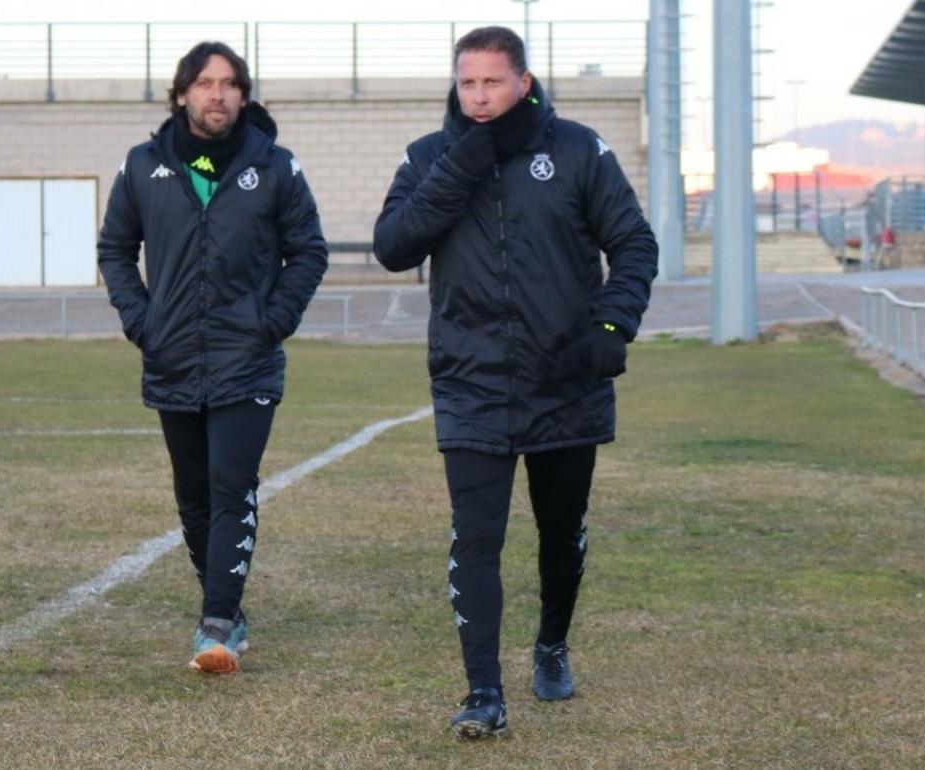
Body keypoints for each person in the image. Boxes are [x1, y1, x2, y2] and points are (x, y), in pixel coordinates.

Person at [373, 26, 658, 738]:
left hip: (566, 379)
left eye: (492, 83)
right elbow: (393, 245)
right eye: (467, 83)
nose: (479, 96)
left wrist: (612, 328)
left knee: (561, 532)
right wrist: (466, 161)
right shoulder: (430, 157)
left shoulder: (578, 150)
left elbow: (633, 243)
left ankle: (552, 644)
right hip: (471, 382)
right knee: (476, 539)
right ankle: (483, 693)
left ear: (523, 83)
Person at [98, 41, 327, 675]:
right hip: (172, 357)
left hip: (246, 359)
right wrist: (142, 322)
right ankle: (227, 607)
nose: (217, 94)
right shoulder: (143, 166)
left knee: (232, 488)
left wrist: (272, 322)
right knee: (194, 499)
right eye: (204, 83)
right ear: (182, 95)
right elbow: (116, 248)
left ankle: (217, 624)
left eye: (229, 84)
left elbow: (308, 251)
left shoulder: (275, 167)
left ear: (244, 96)